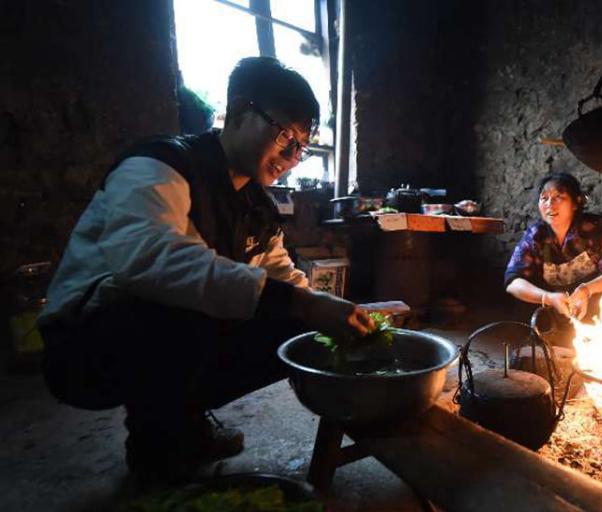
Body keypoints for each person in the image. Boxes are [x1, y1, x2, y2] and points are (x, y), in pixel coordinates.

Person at [37, 57, 374, 481]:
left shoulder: (256, 207)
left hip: (167, 335)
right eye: (286, 136)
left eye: (301, 147)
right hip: (84, 347)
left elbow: (281, 276)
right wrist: (301, 303)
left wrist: (325, 310)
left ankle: (186, 420)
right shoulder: (158, 165)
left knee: (296, 327)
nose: (292, 156)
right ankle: (156, 455)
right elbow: (148, 262)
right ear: (238, 110)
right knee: (176, 309)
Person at [504, 172, 602, 344]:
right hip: (553, 310)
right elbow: (513, 282)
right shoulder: (536, 235)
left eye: (558, 197)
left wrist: (586, 290)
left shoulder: (595, 227)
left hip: (592, 308)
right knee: (525, 310)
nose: (549, 204)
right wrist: (547, 298)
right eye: (544, 198)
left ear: (576, 203)